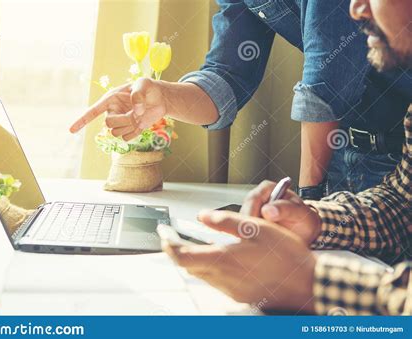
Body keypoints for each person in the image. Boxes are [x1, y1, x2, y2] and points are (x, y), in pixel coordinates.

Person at [163, 0, 411, 315]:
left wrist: (311, 281)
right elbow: (403, 207)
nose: (356, 9)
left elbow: (324, 87)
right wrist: (316, 219)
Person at [70, 0, 411, 199]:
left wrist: (308, 204)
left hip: (396, 153)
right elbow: (228, 74)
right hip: (343, 154)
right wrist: (166, 98)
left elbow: (324, 87)